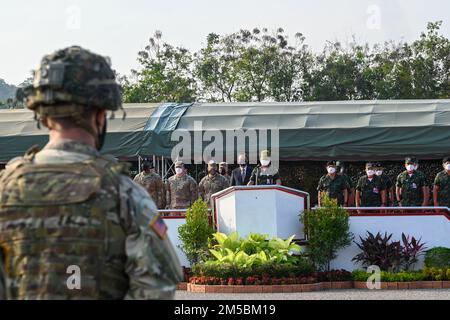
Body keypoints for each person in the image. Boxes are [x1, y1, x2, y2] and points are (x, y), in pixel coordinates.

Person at [0, 46, 182, 300]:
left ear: (43, 114)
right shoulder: (125, 195)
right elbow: (156, 290)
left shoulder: (5, 190)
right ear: (99, 115)